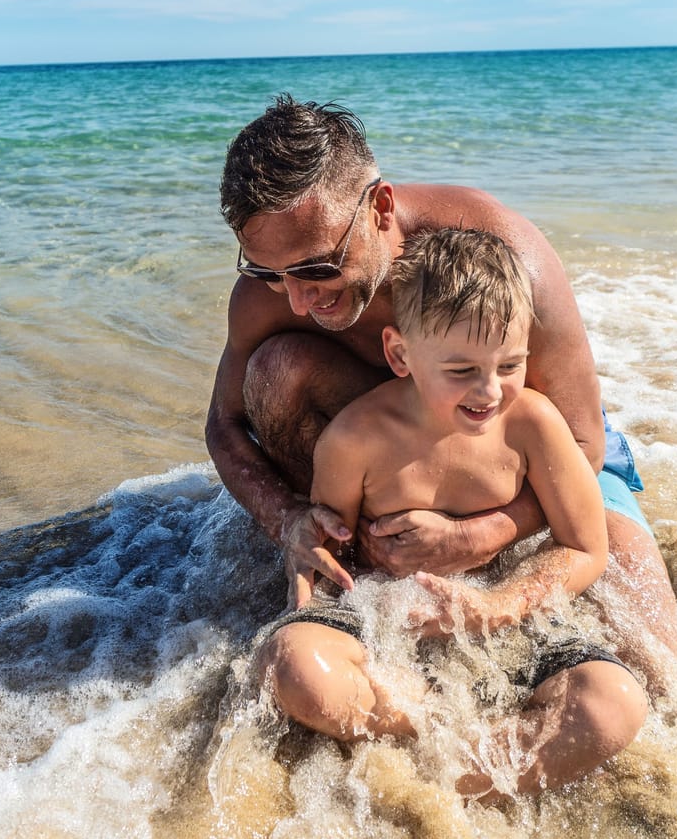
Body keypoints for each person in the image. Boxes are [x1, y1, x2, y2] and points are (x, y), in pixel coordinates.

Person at [205, 95, 677, 668]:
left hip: (525, 451)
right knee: (276, 370)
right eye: (268, 272)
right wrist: (288, 521)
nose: (298, 298)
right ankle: (360, 553)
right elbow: (224, 426)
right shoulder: (272, 294)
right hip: (383, 444)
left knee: (651, 658)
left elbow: (584, 442)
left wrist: (482, 535)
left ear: (380, 207)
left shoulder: (500, 252)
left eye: (316, 267)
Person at [260, 227, 647, 796]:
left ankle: (448, 778)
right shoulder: (355, 440)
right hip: (389, 619)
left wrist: (498, 605)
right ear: (400, 354)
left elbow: (585, 548)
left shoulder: (533, 426)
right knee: (292, 668)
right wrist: (311, 560)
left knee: (614, 703)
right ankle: (437, 735)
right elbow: (333, 564)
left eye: (510, 366)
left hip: (505, 607)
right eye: (463, 371)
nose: (490, 391)